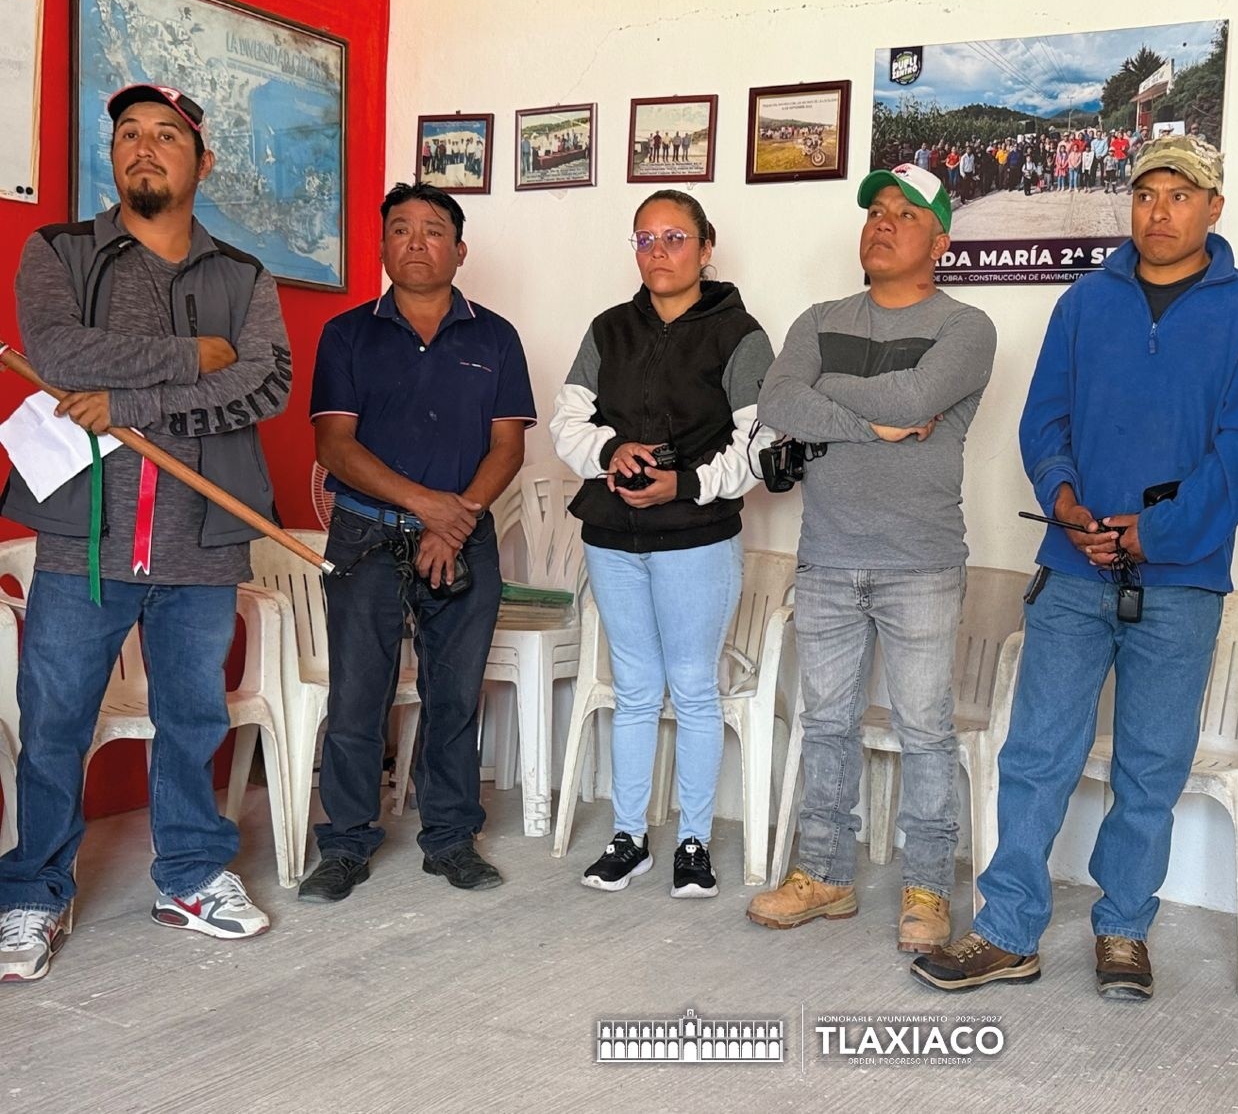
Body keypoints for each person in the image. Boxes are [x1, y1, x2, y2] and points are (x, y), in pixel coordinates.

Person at [911, 136, 1238, 998]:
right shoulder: (1085, 302)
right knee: (1037, 754)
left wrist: (1157, 533)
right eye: (1147, 192)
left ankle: (1123, 929)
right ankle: (1007, 930)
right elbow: (1043, 422)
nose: (1160, 210)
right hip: (1073, 569)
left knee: (1150, 765)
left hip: (1181, 581)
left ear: (1214, 207)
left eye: (1181, 195)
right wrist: (1066, 502)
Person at [0, 84, 291, 981]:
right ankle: (33, 892)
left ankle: (192, 878)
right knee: (54, 723)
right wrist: (193, 357)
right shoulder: (60, 251)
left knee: (193, 718)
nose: (144, 146)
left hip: (201, 541)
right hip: (81, 542)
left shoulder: (242, 276)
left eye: (167, 134)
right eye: (128, 132)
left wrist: (131, 404)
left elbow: (265, 382)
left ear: (203, 162)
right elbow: (58, 353)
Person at [746, 163, 996, 955]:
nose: (883, 222)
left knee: (925, 731)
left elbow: (913, 400)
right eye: (876, 210)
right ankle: (823, 875)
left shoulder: (966, 327)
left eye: (905, 214)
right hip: (826, 555)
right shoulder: (820, 318)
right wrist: (875, 424)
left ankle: (928, 887)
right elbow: (777, 399)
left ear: (941, 242)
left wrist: (835, 396)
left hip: (920, 562)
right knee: (825, 724)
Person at [296, 182, 535, 903]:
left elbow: (508, 446)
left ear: (460, 251)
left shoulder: (496, 337)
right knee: (357, 696)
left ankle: (451, 839)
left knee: (454, 695)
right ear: (381, 246)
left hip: (464, 539)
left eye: (433, 230)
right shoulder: (347, 334)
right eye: (400, 229)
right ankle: (345, 844)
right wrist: (430, 508)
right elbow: (336, 447)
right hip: (366, 534)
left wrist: (453, 521)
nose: (416, 242)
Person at [550, 190, 775, 897]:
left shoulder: (739, 335)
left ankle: (693, 843)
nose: (657, 252)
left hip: (696, 537)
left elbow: (760, 444)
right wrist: (610, 451)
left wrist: (684, 485)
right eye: (644, 239)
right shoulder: (609, 329)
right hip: (611, 538)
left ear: (706, 247)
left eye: (674, 238)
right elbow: (566, 422)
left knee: (694, 688)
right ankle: (629, 838)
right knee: (636, 689)